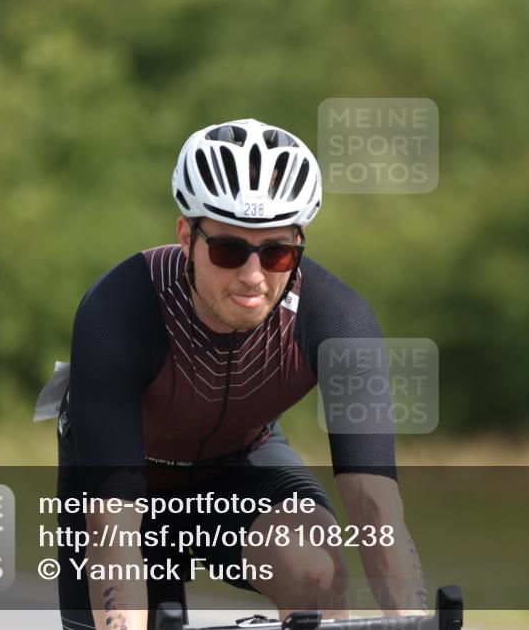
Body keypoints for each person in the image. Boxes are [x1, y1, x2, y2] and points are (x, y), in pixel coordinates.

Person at [54, 119, 427, 630]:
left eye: (276, 253)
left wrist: (413, 621)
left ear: (300, 243)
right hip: (121, 484)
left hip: (239, 465)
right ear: (186, 236)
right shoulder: (117, 312)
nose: (253, 276)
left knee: (316, 572)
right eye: (228, 250)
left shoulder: (338, 320)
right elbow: (112, 524)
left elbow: (375, 505)